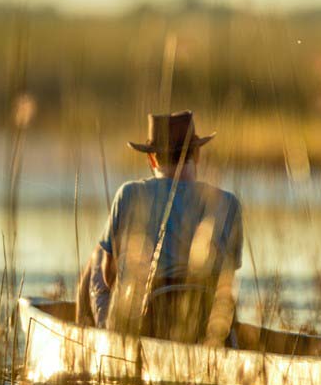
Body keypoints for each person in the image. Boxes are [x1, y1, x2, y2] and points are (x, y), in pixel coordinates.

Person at [78, 111, 243, 345]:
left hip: (146, 326)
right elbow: (226, 283)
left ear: (152, 159)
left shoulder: (129, 194)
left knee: (98, 258)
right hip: (205, 328)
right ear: (197, 155)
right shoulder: (228, 203)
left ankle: (107, 342)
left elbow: (108, 276)